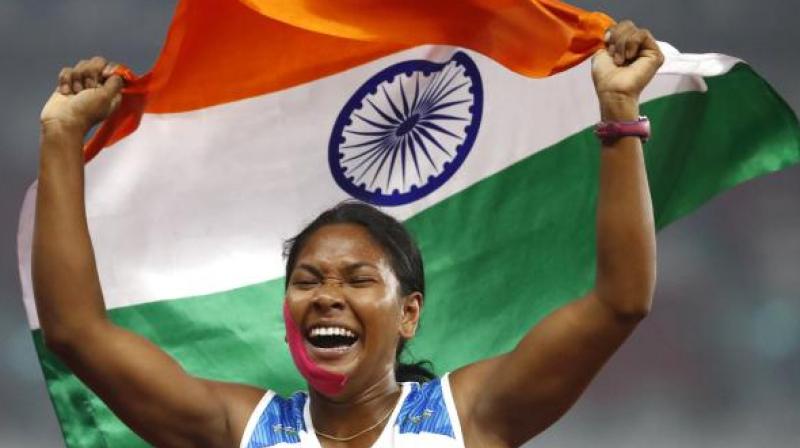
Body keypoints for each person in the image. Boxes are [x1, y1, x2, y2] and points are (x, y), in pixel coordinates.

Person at [33, 20, 663, 448]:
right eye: (307, 280)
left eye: (359, 278)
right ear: (285, 310)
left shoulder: (470, 415)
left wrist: (618, 114)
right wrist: (63, 137)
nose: (327, 294)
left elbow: (619, 302)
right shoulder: (241, 429)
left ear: (410, 313)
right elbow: (76, 332)